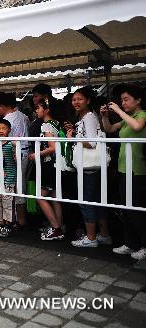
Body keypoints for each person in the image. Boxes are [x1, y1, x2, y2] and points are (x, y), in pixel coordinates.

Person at [101, 84, 146, 260]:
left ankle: (143, 244)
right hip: (123, 168)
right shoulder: (129, 117)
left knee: (137, 208)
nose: (124, 102)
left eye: (127, 99)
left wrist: (119, 110)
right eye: (122, 100)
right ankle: (131, 243)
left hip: (138, 169)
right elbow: (110, 129)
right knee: (125, 209)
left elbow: (136, 127)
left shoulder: (141, 115)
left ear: (139, 100)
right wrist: (104, 116)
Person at [63, 87, 112, 247]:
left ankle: (91, 238)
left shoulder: (89, 117)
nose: (76, 102)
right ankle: (103, 235)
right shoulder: (86, 117)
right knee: (97, 200)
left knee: (86, 201)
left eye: (80, 99)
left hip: (88, 167)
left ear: (88, 100)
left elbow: (91, 143)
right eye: (74, 99)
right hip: (94, 167)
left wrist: (72, 138)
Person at [0, 92, 30, 229]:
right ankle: (20, 219)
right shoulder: (23, 116)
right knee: (20, 186)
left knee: (13, 188)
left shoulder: (8, 119)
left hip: (13, 155)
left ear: (1, 106)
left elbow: (6, 141)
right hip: (25, 152)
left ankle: (16, 220)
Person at [30, 99, 64, 241]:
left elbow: (52, 147)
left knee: (40, 196)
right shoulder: (56, 123)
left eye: (38, 108)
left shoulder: (45, 125)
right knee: (55, 198)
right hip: (58, 164)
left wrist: (36, 154)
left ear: (47, 110)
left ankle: (56, 228)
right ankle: (59, 227)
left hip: (49, 165)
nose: (36, 110)